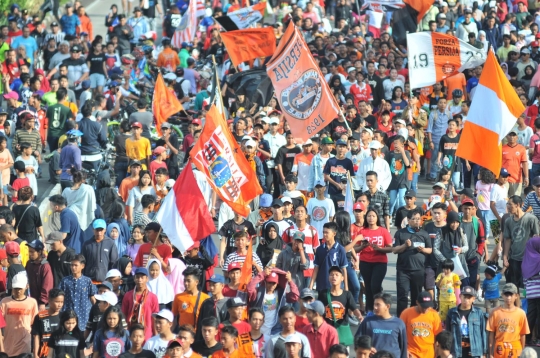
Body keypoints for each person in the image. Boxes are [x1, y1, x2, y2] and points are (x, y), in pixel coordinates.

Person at [392, 208, 432, 317]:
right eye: (414, 219)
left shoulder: (424, 234)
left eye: (419, 219)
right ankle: (401, 318)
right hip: (403, 270)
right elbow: (394, 250)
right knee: (402, 295)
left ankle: (414, 317)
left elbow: (430, 250)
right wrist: (405, 245)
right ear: (408, 220)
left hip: (418, 270)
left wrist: (423, 250)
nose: (417, 221)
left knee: (416, 296)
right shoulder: (400, 233)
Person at [247, 267, 299, 336]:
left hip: (274, 331)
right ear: (265, 281)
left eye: (274, 283)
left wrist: (290, 281)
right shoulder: (259, 293)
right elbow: (249, 288)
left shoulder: (280, 294)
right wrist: (262, 274)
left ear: (277, 283)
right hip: (258, 329)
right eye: (269, 283)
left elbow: (295, 296)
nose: (272, 285)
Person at [503, 195, 540, 288]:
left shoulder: (531, 219)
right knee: (514, 285)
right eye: (507, 204)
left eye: (510, 204)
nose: (508, 207)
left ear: (518, 205)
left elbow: (537, 237)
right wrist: (505, 256)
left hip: (528, 258)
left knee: (528, 285)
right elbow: (507, 239)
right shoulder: (508, 221)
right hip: (514, 257)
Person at [356, 293, 407, 358]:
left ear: (387, 306)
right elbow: (358, 339)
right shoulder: (368, 321)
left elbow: (403, 347)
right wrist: (368, 348)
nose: (375, 307)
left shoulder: (399, 323)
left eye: (378, 305)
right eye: (374, 304)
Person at [487, 283, 530, 358]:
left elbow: (523, 334)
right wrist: (490, 353)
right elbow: (491, 334)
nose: (509, 298)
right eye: (506, 295)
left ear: (516, 296)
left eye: (511, 295)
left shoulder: (521, 313)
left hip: (515, 348)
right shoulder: (495, 312)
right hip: (499, 349)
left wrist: (522, 352)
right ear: (502, 295)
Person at [0, 272, 37, 357]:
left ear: (26, 286)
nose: (18, 291)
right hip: (8, 345)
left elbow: (34, 324)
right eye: (16, 288)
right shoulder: (5, 302)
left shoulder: (32, 302)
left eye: (20, 288)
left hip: (25, 345)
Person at [445, 286, 488, 358]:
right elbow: (448, 333)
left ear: (473, 299)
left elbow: (483, 333)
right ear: (460, 296)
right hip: (457, 351)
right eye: (464, 297)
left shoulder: (478, 313)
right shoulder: (452, 313)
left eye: (469, 297)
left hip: (475, 352)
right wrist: (447, 351)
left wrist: (484, 352)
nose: (466, 300)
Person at [58, 255, 97, 331]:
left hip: (83, 317)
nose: (73, 267)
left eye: (76, 265)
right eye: (72, 265)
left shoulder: (87, 281)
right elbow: (60, 296)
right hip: (68, 317)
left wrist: (96, 312)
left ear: (82, 266)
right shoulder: (65, 281)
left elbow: (92, 298)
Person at [400, 291, 442, 358]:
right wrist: (405, 350)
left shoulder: (434, 315)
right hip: (412, 352)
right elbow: (399, 334)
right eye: (423, 307)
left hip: (429, 353)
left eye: (427, 307)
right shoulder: (406, 313)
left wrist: (437, 352)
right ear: (417, 302)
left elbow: (438, 336)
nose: (425, 309)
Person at [121, 267, 160, 341]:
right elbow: (123, 313)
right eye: (137, 277)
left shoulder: (153, 297)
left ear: (147, 279)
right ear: (134, 279)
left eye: (142, 277)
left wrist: (156, 334)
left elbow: (154, 317)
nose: (140, 280)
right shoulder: (128, 295)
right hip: (131, 331)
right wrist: (124, 329)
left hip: (147, 332)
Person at [310, 222, 348, 293]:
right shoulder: (319, 249)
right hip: (322, 285)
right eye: (323, 232)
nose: (324, 235)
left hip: (337, 287)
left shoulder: (340, 249)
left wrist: (346, 288)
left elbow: (344, 269)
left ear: (334, 233)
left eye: (327, 232)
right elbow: (316, 268)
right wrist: (311, 285)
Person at [81, 218, 119, 283]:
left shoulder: (110, 244)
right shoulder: (87, 244)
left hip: (105, 281)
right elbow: (82, 262)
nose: (99, 232)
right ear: (93, 230)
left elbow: (114, 263)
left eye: (101, 230)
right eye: (97, 230)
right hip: (89, 281)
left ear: (105, 230)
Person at [172, 266, 209, 331]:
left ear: (196, 282)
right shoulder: (178, 297)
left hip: (198, 334)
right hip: (182, 334)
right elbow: (174, 317)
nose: (186, 283)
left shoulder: (205, 298)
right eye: (185, 281)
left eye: (188, 281)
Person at [32, 288, 65, 358]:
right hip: (45, 352)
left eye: (62, 302)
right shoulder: (40, 316)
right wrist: (35, 354)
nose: (60, 305)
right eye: (57, 302)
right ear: (49, 301)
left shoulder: (64, 317)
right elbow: (36, 336)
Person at [25, 239, 53, 311]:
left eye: (32, 252)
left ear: (40, 252)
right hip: (29, 301)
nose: (30, 254)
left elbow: (47, 286)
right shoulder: (29, 264)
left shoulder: (45, 266)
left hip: (41, 304)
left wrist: (42, 302)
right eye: (29, 251)